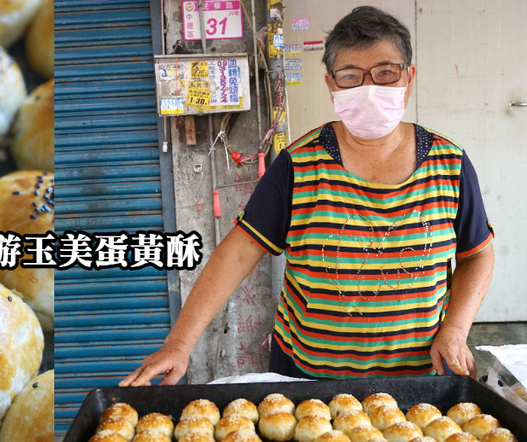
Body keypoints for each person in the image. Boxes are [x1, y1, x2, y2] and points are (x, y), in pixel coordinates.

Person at [121, 6, 494, 386]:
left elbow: (477, 253)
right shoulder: (298, 165)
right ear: (332, 85)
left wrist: (456, 329)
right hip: (308, 382)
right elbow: (237, 251)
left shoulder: (449, 164)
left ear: (409, 77)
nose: (369, 88)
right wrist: (180, 342)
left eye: (385, 72)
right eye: (351, 76)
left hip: (418, 380)